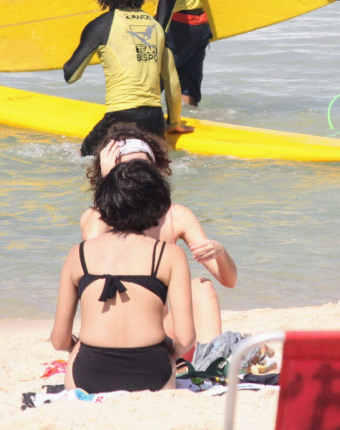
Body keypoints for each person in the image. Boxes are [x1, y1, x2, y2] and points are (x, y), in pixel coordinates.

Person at [80, 122, 237, 346]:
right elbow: (92, 245)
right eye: (125, 167)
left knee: (201, 286)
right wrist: (108, 187)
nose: (135, 174)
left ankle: (210, 360)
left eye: (142, 166)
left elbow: (229, 280)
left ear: (156, 170)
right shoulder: (97, 215)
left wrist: (221, 252)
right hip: (112, 328)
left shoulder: (176, 216)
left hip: (158, 329)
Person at [51, 159, 195, 393]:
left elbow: (59, 340)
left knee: (79, 348)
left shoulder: (78, 254)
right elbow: (186, 339)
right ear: (157, 208)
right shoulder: (169, 255)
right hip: (152, 377)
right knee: (164, 346)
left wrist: (77, 346)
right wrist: (168, 349)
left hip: (88, 376)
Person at [63, 0, 191, 156]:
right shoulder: (156, 27)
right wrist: (174, 123)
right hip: (155, 120)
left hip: (120, 119)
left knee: (82, 158)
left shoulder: (101, 26)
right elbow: (172, 80)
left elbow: (71, 75)